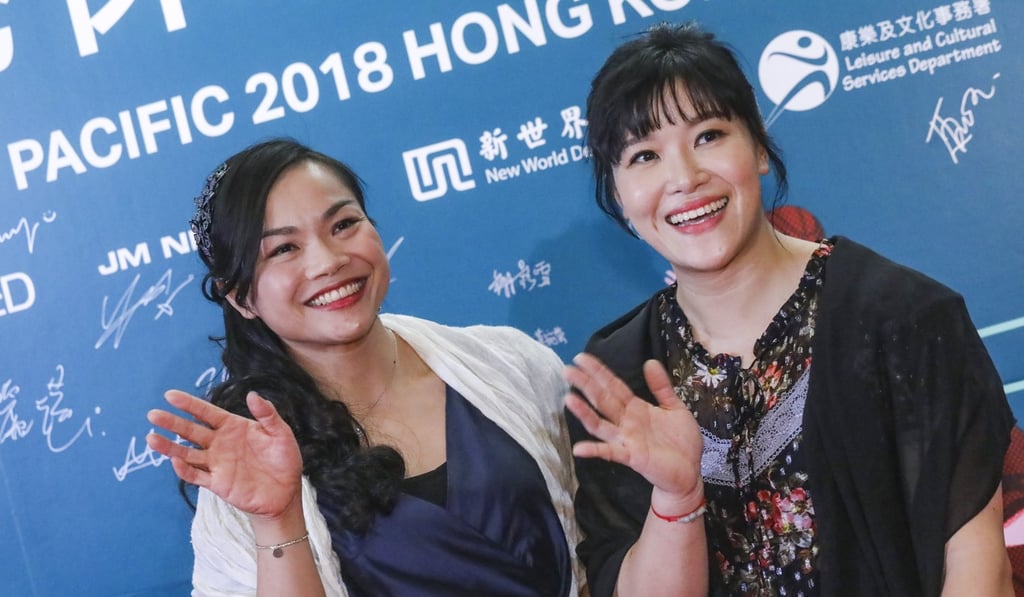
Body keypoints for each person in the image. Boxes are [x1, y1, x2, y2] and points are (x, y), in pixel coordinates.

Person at [563, 22, 1014, 597]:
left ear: (758, 147)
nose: (684, 178)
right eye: (644, 155)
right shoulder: (621, 377)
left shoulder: (901, 317)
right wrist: (675, 499)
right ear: (618, 195)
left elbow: (978, 570)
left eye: (708, 135)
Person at [145, 138, 584, 596]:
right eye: (284, 249)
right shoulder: (247, 466)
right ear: (240, 297)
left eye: (343, 224)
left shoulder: (510, 363)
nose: (328, 261)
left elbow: (595, 554)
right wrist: (277, 521)